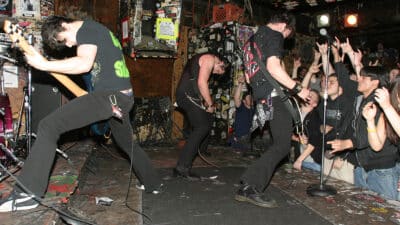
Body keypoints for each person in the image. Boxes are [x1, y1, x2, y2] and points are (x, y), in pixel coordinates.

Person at [0, 16, 162, 212]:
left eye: (64, 39)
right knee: (127, 143)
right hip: (122, 98)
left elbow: (83, 64)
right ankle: (152, 182)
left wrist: (44, 64)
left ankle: (27, 194)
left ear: (64, 25)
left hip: (111, 98)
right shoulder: (100, 30)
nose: (68, 44)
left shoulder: (88, 29)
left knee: (49, 126)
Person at [237, 11, 310, 208]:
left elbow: (247, 74)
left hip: (263, 97)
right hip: (274, 97)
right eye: (288, 33)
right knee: (282, 146)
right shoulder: (274, 35)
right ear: (284, 25)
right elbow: (273, 67)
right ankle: (250, 186)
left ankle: (249, 184)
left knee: (280, 144)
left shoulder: (251, 40)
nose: (285, 38)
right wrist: (298, 89)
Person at [328, 66, 400, 200]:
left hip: (381, 170)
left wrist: (348, 143)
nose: (358, 79)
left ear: (375, 82)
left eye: (363, 77)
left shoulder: (380, 103)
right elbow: (374, 142)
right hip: (362, 166)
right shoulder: (362, 100)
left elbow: (369, 139)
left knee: (386, 214)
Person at [174, 53, 225, 180]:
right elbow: (202, 83)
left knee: (205, 123)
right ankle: (182, 167)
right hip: (187, 94)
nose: (217, 73)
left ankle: (192, 157)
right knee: (202, 127)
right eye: (219, 71)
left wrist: (207, 105)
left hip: (187, 94)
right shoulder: (210, 58)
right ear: (221, 62)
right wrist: (210, 103)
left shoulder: (202, 60)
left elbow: (198, 85)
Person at [292, 89, 322, 172]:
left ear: (315, 104)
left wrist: (299, 160)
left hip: (312, 163)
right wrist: (297, 138)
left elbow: (314, 142)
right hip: (299, 159)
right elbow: (286, 131)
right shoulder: (295, 112)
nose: (308, 96)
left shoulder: (315, 117)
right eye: (308, 94)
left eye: (311, 96)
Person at [229, 75, 254, 152]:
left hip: (248, 139)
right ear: (243, 101)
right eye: (248, 98)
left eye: (251, 97)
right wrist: (240, 83)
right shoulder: (241, 107)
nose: (250, 99)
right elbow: (236, 97)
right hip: (239, 139)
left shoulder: (254, 109)